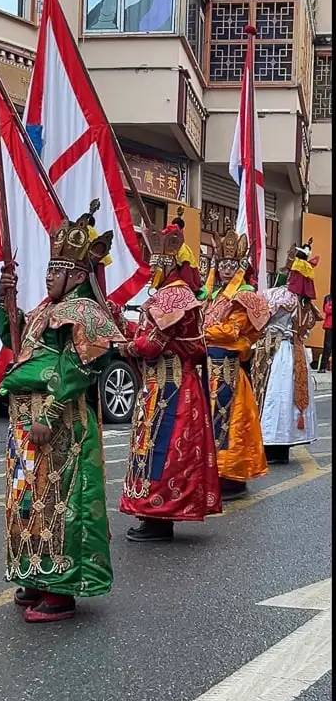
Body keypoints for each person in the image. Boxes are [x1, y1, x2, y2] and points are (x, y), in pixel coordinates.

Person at [0, 203, 125, 622]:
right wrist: (7, 305)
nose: (49, 275)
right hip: (24, 421)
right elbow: (16, 345)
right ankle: (36, 574)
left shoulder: (84, 312)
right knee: (27, 501)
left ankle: (63, 589)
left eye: (58, 269)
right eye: (48, 268)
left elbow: (79, 367)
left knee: (60, 502)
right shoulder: (41, 310)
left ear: (78, 275)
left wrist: (49, 415)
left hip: (60, 424)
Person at [118, 209, 222, 542]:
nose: (151, 269)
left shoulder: (175, 296)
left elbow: (151, 345)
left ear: (170, 264)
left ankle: (159, 516)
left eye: (156, 263)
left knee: (162, 452)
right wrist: (126, 329)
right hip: (163, 385)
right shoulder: (171, 295)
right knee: (152, 450)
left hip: (170, 387)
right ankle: (153, 514)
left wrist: (125, 346)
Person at [203, 221, 270, 500]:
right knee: (210, 422)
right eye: (223, 264)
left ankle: (231, 477)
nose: (226, 270)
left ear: (240, 266)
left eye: (232, 265)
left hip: (229, 370)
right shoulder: (214, 295)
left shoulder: (244, 296)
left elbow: (234, 330)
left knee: (231, 424)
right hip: (208, 370)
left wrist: (202, 332)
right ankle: (212, 473)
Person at [254, 239, 322, 463]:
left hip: (279, 350)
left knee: (274, 395)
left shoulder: (281, 296)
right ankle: (283, 446)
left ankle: (270, 444)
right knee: (287, 397)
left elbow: (261, 314)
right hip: (296, 350)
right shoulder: (306, 304)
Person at [319, 293, 332, 372]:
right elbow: (326, 309)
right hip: (329, 325)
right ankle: (323, 367)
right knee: (327, 346)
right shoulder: (328, 297)